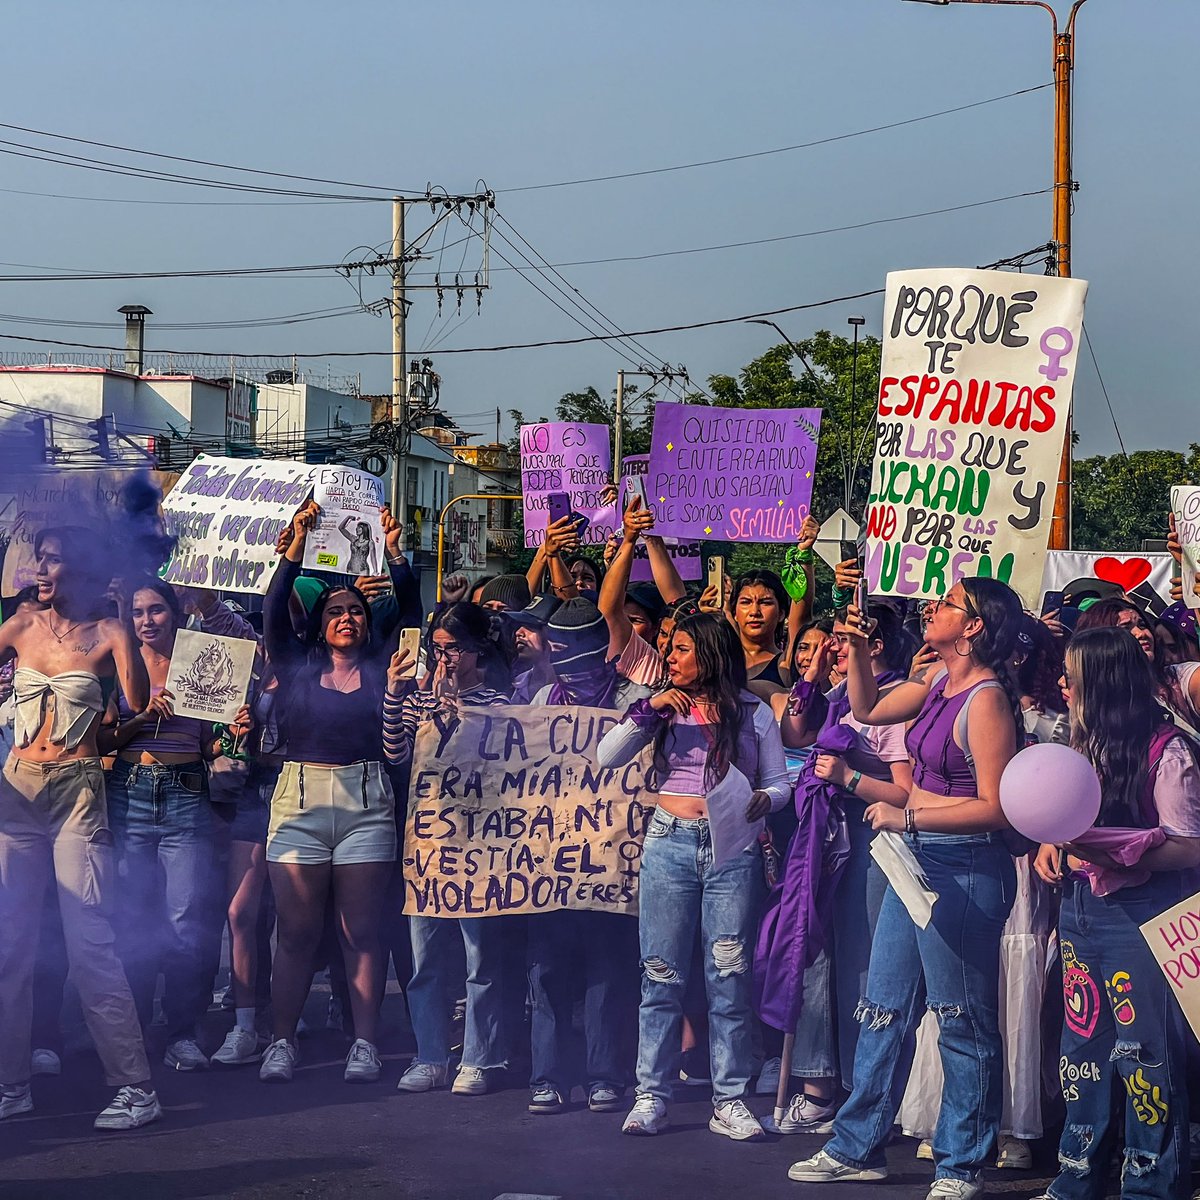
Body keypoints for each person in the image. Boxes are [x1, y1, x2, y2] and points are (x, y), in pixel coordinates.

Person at [790, 576, 1023, 1197]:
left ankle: (960, 1164)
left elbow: (998, 808)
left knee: (960, 1019)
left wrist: (908, 815)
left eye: (947, 603)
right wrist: (859, 647)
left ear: (973, 627)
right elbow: (865, 711)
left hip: (966, 866)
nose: (932, 607)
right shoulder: (938, 683)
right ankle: (856, 1145)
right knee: (884, 1009)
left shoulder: (987, 700)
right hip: (915, 861)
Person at [597, 612, 791, 1141]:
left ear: (709, 654)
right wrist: (649, 708)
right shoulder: (659, 708)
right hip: (669, 844)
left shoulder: (753, 712)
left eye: (682, 649)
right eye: (671, 649)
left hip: (733, 846)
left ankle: (729, 1099)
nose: (672, 658)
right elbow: (606, 756)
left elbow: (780, 783)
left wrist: (763, 798)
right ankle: (650, 1096)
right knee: (661, 975)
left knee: (728, 976)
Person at [0, 526, 161, 1130]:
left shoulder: (109, 633)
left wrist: (120, 618)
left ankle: (135, 1088)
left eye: (54, 560)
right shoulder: (18, 626)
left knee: (89, 942)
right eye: (39, 559)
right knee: (9, 946)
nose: (41, 569)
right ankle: (10, 1082)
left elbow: (138, 698)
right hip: (15, 792)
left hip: (77, 795)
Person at [1033, 626, 1200, 1200]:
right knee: (1082, 1045)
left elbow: (1190, 844)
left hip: (1142, 915)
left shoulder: (1168, 750)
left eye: (1072, 675)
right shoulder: (1077, 745)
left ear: (1101, 682)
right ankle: (1077, 1175)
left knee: (1145, 1052)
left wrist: (1126, 846)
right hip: (1080, 908)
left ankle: (1151, 1184)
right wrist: (1051, 842)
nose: (1062, 683)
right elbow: (1056, 808)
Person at [258, 500, 406, 1085]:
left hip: (367, 803)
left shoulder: (383, 667)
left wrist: (395, 552)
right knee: (294, 932)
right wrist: (294, 546)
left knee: (360, 932)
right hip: (299, 802)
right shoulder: (295, 666)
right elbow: (273, 611)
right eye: (336, 611)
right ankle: (280, 1040)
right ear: (319, 624)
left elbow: (410, 610)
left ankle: (364, 1044)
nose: (348, 617)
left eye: (357, 611)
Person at [760, 603, 914, 1127]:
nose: (833, 647)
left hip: (871, 838)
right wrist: (811, 674)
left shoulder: (896, 701)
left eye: (845, 639)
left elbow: (905, 792)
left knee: (864, 964)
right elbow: (795, 734)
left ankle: (861, 1091)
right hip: (823, 838)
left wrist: (850, 775)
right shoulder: (836, 694)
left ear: (875, 647)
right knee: (813, 951)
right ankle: (819, 1082)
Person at [98, 580, 252, 1073]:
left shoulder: (200, 659)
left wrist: (233, 735)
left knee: (186, 921)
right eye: (139, 611)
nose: (146, 620)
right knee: (135, 919)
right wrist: (141, 717)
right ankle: (136, 1029)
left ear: (175, 613)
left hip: (186, 791)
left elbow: (210, 745)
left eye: (156, 610)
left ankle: (182, 1031)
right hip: (129, 790)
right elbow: (101, 737)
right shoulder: (118, 661)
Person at [385, 602, 515, 1097]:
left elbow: (492, 766)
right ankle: (430, 1054)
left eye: (455, 649)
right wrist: (399, 697)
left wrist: (452, 709)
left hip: (478, 847)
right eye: (438, 650)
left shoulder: (500, 701)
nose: (445, 660)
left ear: (477, 651)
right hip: (428, 846)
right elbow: (397, 755)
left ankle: (480, 1057)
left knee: (480, 959)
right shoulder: (419, 697)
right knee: (426, 958)